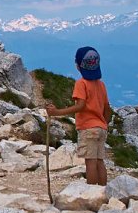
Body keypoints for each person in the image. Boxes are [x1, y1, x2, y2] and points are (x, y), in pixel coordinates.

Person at [46, 47, 109, 186]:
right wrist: (104, 123)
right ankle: (104, 192)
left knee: (90, 162)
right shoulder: (101, 85)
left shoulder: (81, 83)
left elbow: (80, 105)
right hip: (101, 128)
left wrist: (56, 112)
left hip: (88, 128)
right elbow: (107, 108)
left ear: (78, 65)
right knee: (100, 162)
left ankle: (92, 193)